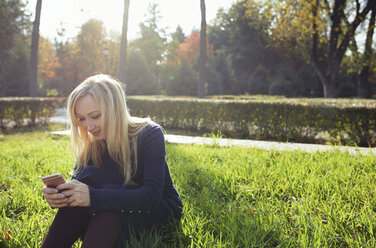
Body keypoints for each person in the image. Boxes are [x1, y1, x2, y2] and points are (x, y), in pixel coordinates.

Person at [41, 74, 183, 248]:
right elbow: (80, 190)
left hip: (155, 209)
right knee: (89, 181)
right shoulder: (91, 143)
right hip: (112, 212)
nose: (89, 127)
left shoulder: (149, 134)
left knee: (105, 201)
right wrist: (62, 196)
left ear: (114, 109)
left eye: (95, 116)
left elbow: (151, 197)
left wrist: (93, 196)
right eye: (81, 119)